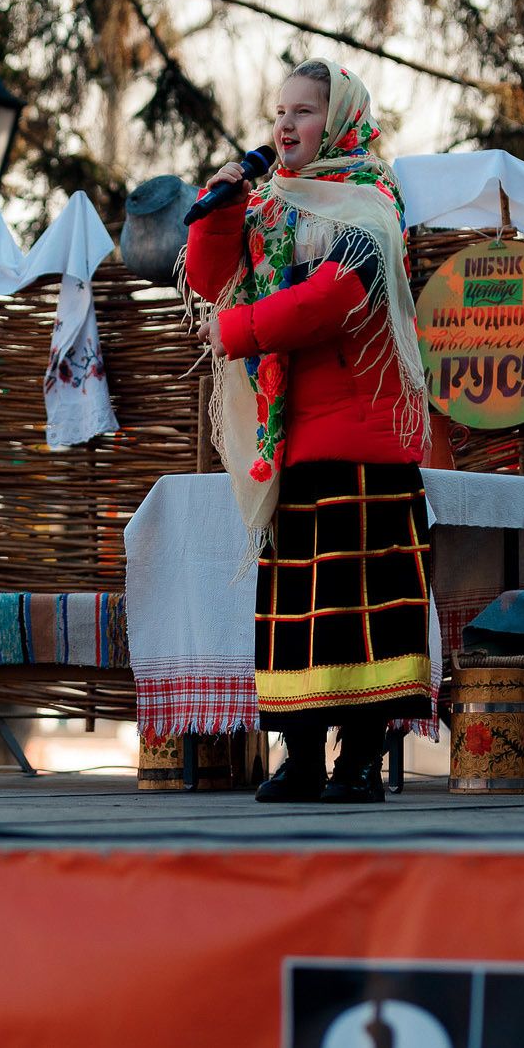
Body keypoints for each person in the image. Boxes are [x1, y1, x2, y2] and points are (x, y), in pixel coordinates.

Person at [183, 58, 433, 804]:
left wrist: (236, 330)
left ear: (341, 118)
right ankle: (299, 756)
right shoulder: (269, 205)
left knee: (361, 613)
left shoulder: (371, 204)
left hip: (364, 443)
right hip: (290, 443)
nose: (285, 125)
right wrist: (222, 201)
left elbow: (331, 303)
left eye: (304, 111)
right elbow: (206, 274)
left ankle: (358, 759)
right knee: (297, 615)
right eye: (279, 110)